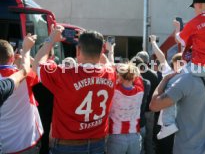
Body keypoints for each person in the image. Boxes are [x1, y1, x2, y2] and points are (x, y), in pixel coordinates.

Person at [33, 26, 117, 154]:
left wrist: (51, 40)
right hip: (98, 143)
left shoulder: (64, 74)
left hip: (67, 145)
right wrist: (91, 40)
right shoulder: (111, 72)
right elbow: (106, 61)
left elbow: (36, 64)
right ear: (101, 52)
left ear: (78, 50)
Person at [0, 34, 44, 153]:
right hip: (26, 144)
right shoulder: (21, 76)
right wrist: (26, 50)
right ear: (12, 58)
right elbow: (35, 69)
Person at [107, 63, 144, 154]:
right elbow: (137, 75)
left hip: (116, 135)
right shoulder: (140, 90)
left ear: (120, 77)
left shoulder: (114, 89)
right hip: (134, 135)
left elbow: (110, 71)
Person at [136, 51, 160, 154]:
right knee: (149, 138)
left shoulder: (134, 74)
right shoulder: (154, 75)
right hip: (150, 110)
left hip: (138, 111)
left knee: (139, 139)